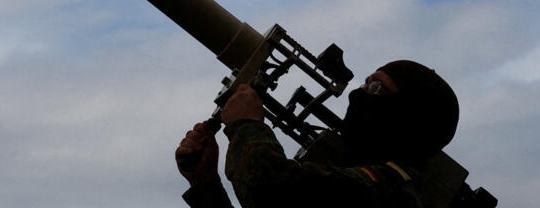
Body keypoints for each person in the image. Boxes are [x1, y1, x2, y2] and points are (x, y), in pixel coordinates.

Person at [175, 60, 459, 208]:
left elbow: (270, 190)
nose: (359, 94)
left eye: (376, 88)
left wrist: (246, 125)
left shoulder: (392, 189)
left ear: (409, 118)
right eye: (365, 83)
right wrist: (205, 184)